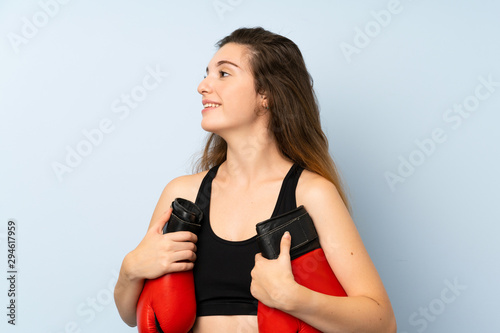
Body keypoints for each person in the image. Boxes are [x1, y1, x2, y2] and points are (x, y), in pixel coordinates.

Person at [114, 27, 397, 333]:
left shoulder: (312, 194)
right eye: (207, 73)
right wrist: (131, 269)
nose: (202, 86)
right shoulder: (183, 194)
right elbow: (134, 315)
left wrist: (293, 298)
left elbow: (382, 323)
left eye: (224, 74)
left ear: (266, 94)